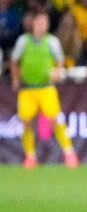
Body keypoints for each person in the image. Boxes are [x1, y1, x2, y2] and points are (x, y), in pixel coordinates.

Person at [9, 10, 79, 169]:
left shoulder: (52, 41)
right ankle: (30, 156)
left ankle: (69, 153)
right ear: (33, 23)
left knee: (55, 119)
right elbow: (14, 60)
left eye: (45, 23)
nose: (42, 26)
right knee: (26, 121)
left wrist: (57, 71)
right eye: (40, 22)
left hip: (46, 87)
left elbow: (61, 61)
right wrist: (15, 79)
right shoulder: (23, 41)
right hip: (27, 88)